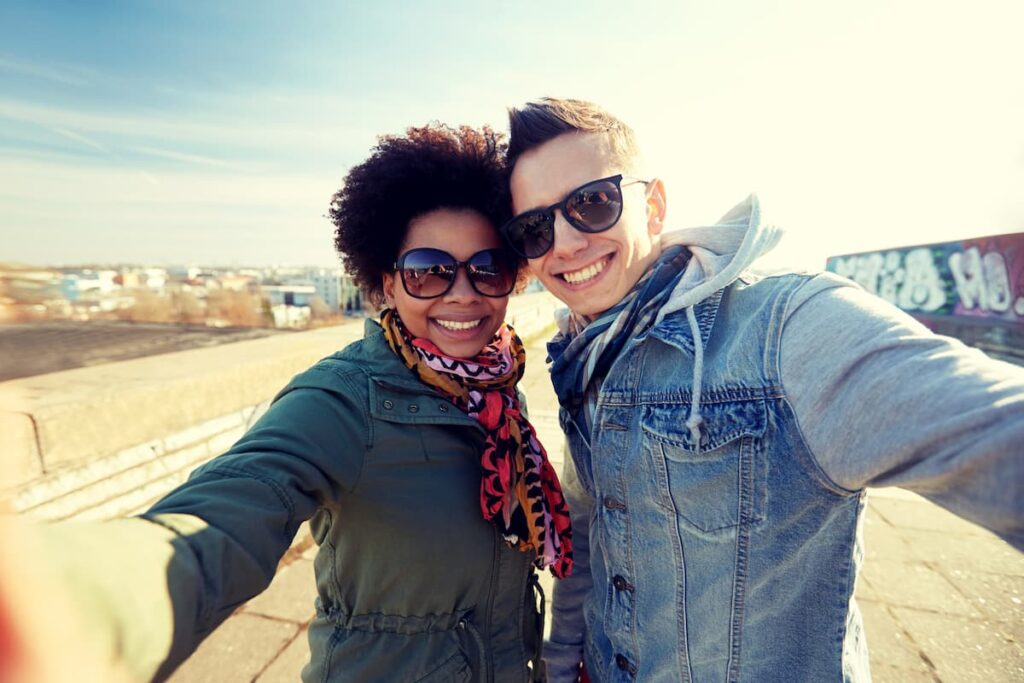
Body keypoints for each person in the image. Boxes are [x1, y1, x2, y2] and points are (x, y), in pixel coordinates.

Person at [2, 123, 573, 683]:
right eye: (429, 272)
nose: (462, 294)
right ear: (388, 282)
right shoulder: (343, 401)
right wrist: (75, 608)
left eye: (487, 269)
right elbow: (223, 518)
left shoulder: (495, 386)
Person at [500, 97, 1024, 682]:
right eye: (535, 227)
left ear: (653, 205)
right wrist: (561, 656)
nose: (565, 243)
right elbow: (589, 528)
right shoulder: (587, 353)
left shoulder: (784, 325)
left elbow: (997, 431)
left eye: (592, 203)